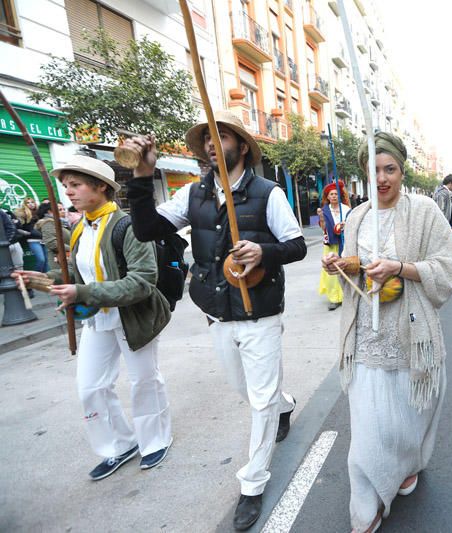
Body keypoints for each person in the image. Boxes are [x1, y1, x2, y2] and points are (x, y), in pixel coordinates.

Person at [121, 110, 306, 531]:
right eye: (206, 136)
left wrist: (264, 252)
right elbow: (147, 229)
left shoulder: (268, 192)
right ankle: (285, 404)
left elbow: (296, 246)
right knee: (249, 391)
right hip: (217, 312)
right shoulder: (193, 194)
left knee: (258, 401)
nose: (210, 142)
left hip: (260, 313)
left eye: (220, 135)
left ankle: (253, 483)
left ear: (241, 145)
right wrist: (142, 175)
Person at [320, 132, 452, 533]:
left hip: (411, 334)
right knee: (367, 429)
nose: (381, 178)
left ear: (401, 170)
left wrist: (399, 268)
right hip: (365, 336)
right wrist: (341, 265)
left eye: (389, 169)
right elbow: (357, 265)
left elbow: (448, 267)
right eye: (373, 170)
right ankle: (367, 506)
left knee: (410, 416)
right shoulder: (358, 215)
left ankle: (408, 465)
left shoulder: (426, 210)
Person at [15, 155, 173, 480]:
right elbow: (76, 274)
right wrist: (44, 280)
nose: (68, 193)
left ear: (101, 187)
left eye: (76, 185)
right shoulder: (78, 229)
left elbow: (143, 280)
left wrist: (83, 293)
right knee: (90, 386)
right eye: (66, 186)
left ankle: (155, 439)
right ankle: (118, 445)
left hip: (135, 317)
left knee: (144, 381)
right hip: (98, 320)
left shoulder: (128, 226)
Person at [317, 180, 351, 310]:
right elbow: (323, 228)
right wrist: (321, 218)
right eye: (331, 194)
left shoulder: (347, 210)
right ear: (327, 196)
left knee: (345, 269)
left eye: (336, 194)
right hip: (330, 245)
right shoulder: (324, 211)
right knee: (331, 270)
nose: (334, 196)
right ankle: (334, 298)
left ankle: (345, 295)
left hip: (344, 243)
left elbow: (353, 225)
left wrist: (345, 225)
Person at [35, 202, 71, 271]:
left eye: (64, 209)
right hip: (60, 261)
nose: (63, 211)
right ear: (50, 211)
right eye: (60, 209)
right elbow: (51, 243)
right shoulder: (48, 223)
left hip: (67, 259)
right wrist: (72, 249)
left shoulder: (61, 222)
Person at [14, 196, 47, 272]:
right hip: (33, 240)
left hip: (44, 239)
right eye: (28, 203)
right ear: (25, 204)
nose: (31, 204)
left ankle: (46, 278)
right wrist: (27, 233)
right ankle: (36, 277)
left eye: (32, 202)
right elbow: (20, 227)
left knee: (46, 261)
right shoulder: (23, 214)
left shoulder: (39, 213)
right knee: (41, 260)